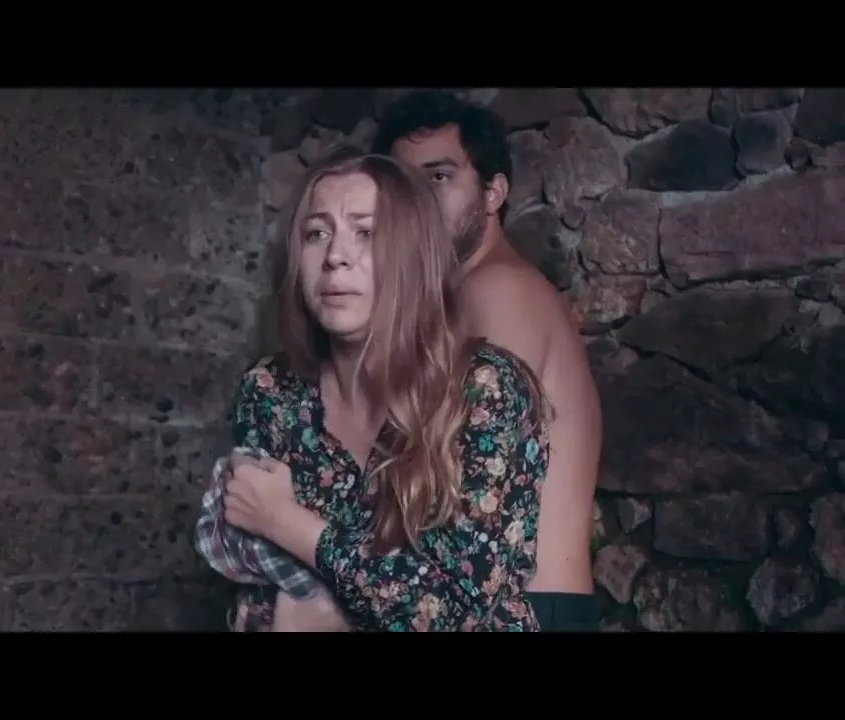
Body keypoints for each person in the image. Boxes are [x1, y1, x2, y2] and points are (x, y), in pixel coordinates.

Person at [220, 148, 552, 631]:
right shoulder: (270, 391)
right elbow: (254, 586)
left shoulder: (485, 388)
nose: (335, 256)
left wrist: (284, 521)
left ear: (412, 254)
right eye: (316, 234)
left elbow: (452, 608)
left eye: (366, 232)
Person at [363, 90, 603, 631]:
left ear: (493, 192)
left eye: (439, 177)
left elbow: (456, 494)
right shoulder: (467, 294)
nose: (418, 200)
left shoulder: (496, 291)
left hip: (524, 609)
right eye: (403, 185)